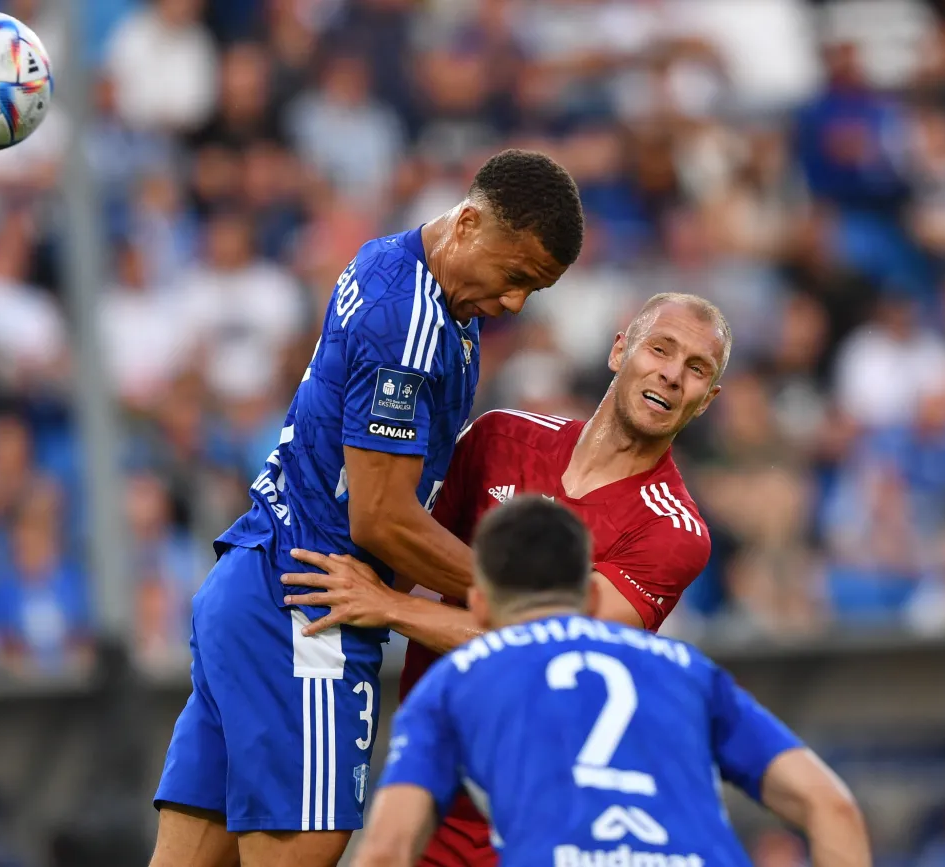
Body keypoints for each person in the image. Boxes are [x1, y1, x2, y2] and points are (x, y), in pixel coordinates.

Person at [150, 149, 585, 867]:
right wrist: (514, 598)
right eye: (515, 277)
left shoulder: (405, 272)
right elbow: (378, 519)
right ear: (469, 222)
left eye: (533, 291)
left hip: (254, 583)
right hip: (309, 606)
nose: (515, 304)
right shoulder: (410, 322)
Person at [285, 293, 727, 865]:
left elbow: (550, 649)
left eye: (697, 370)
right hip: (431, 787)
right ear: (621, 350)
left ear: (708, 399)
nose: (671, 375)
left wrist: (389, 607)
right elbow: (399, 543)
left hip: (548, 819)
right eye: (660, 349)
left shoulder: (674, 532)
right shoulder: (497, 438)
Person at [354, 496, 872, 867]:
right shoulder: (685, 668)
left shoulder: (453, 683)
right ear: (595, 600)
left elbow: (386, 851)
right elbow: (832, 806)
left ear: (481, 606)